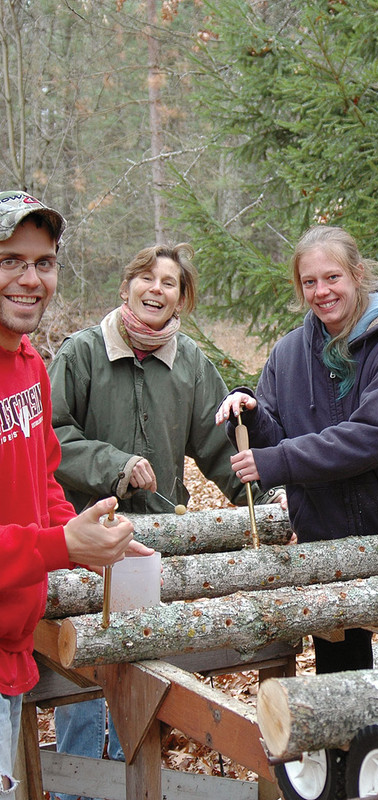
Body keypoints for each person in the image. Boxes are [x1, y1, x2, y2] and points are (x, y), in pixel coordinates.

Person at [48, 242, 267, 799]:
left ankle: (128, 789)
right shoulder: (80, 353)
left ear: (181, 298)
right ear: (125, 288)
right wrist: (114, 466)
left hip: (155, 549)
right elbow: (50, 438)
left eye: (169, 282)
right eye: (146, 277)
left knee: (139, 677)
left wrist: (267, 504)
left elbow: (222, 450)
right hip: (83, 546)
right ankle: (78, 790)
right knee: (83, 683)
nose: (155, 289)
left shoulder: (192, 364)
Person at [215, 224, 378, 675]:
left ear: (357, 274)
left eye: (332, 277)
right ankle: (343, 752)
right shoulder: (288, 354)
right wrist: (249, 414)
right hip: (326, 547)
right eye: (309, 282)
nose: (322, 291)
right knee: (339, 689)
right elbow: (273, 441)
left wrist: (277, 461)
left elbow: (373, 434)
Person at [0, 190, 151, 797]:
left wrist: (93, 539)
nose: (30, 279)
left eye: (43, 262)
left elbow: (41, 482)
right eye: (10, 260)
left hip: (11, 647)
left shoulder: (30, 365)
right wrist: (62, 544)